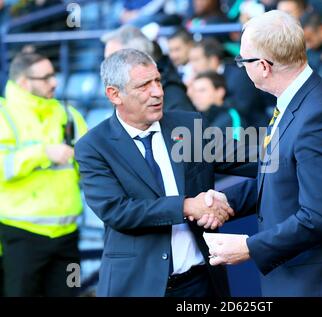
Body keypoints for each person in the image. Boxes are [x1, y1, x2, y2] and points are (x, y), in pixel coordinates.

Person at [207, 10, 322, 297]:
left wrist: (249, 247)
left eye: (243, 60)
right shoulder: (298, 101)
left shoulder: (318, 115)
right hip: (304, 278)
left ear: (263, 66)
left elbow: (317, 217)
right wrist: (228, 202)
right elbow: (282, 174)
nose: (242, 66)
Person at [74, 49, 257, 297]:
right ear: (114, 94)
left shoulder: (187, 125)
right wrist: (186, 206)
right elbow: (118, 211)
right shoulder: (94, 146)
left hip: (201, 284)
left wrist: (298, 147)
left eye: (158, 81)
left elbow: (248, 155)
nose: (158, 92)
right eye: (144, 85)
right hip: (137, 286)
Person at [0, 52, 88, 296]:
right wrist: (42, 153)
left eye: (54, 74)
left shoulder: (68, 114)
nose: (55, 82)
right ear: (24, 83)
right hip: (21, 235)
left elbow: (91, 163)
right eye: (46, 77)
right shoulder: (3, 114)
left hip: (68, 235)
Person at [102, 25, 195, 112]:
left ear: (139, 59)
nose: (106, 69)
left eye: (114, 61)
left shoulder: (172, 97)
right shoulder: (124, 100)